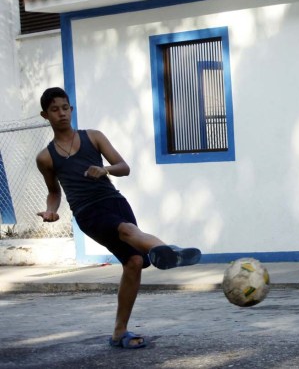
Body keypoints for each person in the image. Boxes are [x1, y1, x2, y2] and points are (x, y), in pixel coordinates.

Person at [36, 87, 202, 349]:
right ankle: (167, 249)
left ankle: (118, 333)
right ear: (45, 115)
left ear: (71, 109)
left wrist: (104, 170)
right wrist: (51, 211)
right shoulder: (45, 157)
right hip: (87, 211)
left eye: (65, 108)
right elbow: (54, 192)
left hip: (114, 201)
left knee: (134, 261)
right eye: (55, 110)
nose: (62, 113)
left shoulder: (93, 137)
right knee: (125, 230)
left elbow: (124, 167)